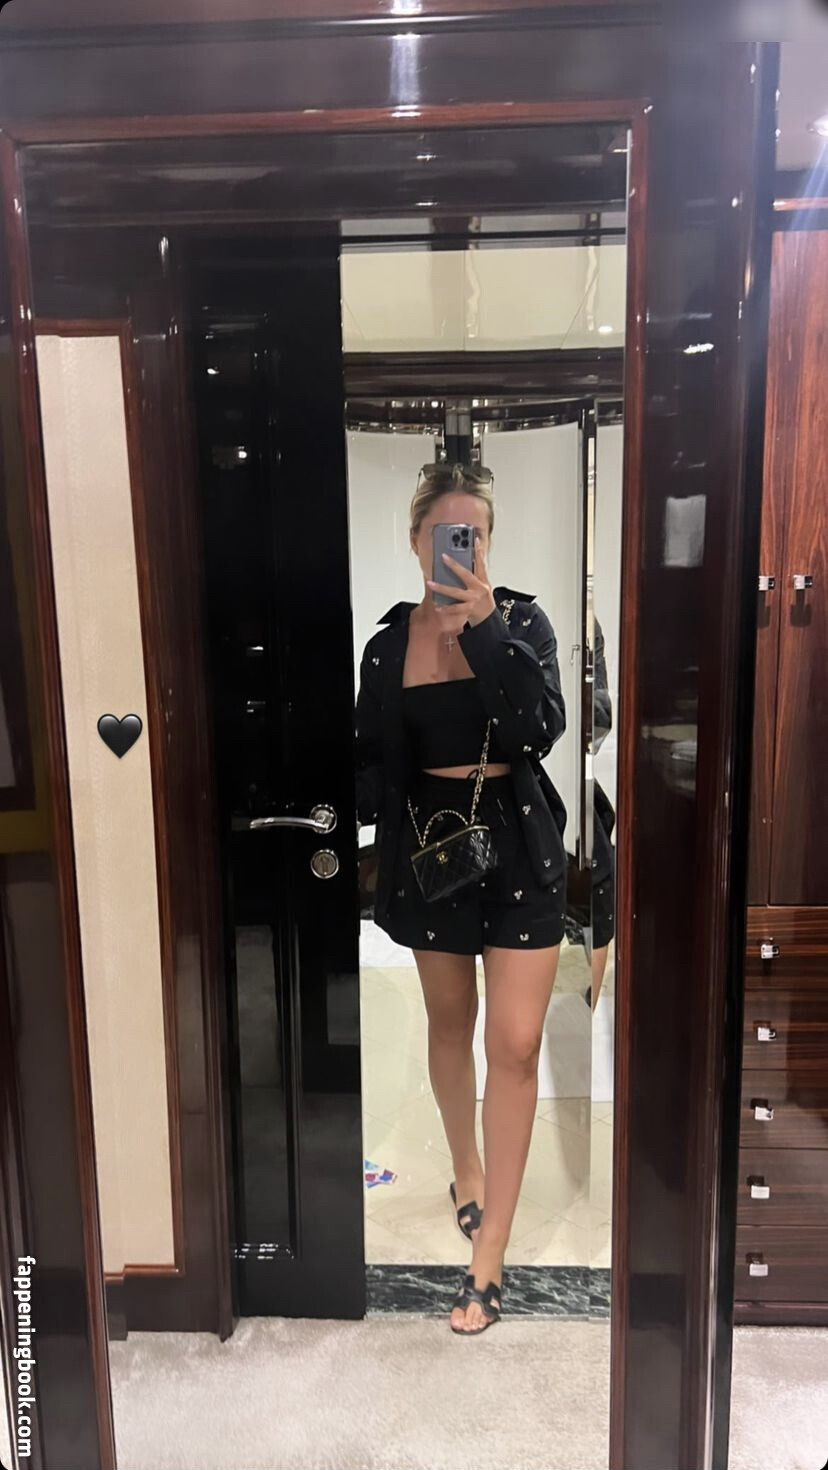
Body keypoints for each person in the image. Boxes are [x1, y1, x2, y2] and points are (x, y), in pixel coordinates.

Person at [355, 461, 567, 1335]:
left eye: (471, 534)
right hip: (432, 850)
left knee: (514, 1044)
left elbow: (538, 730)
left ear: (486, 543)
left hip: (516, 840)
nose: (457, 548)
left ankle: (490, 1259)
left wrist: (483, 631)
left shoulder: (521, 623)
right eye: (444, 533)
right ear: (415, 541)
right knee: (451, 1023)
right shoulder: (386, 645)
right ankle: (466, 1168)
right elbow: (374, 763)